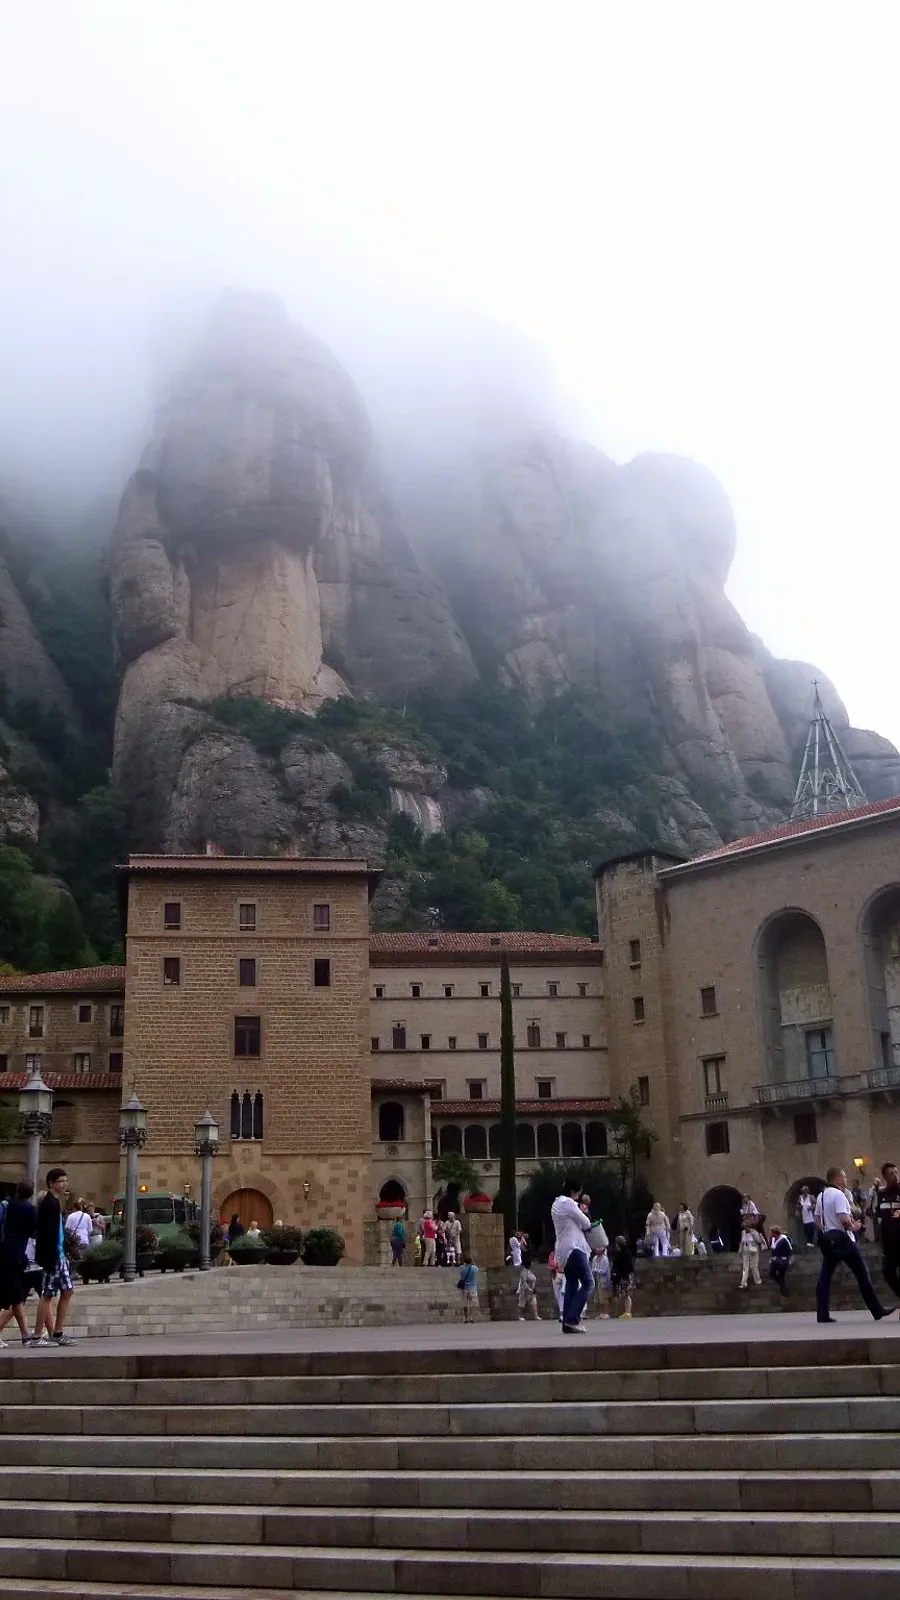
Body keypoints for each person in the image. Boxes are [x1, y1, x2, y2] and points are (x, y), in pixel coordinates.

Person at [814, 1165, 895, 1324]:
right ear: (837, 1179)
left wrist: (827, 1229)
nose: (846, 1179)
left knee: (825, 1277)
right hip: (843, 1239)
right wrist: (854, 1226)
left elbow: (817, 1220)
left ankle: (822, 1313)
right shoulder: (839, 1195)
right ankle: (877, 1310)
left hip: (828, 1240)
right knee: (862, 1272)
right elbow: (844, 1219)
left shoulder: (821, 1196)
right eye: (844, 1177)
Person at [32, 1167, 76, 1346]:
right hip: (54, 1255)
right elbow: (47, 1233)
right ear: (51, 1183)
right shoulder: (50, 1203)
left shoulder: (54, 1202)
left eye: (66, 1180)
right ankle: (39, 1336)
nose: (64, 1184)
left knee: (65, 1290)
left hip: (58, 1254)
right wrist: (52, 1256)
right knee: (49, 1294)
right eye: (61, 1181)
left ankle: (56, 1332)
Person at [550, 1176, 597, 1333]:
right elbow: (586, 1223)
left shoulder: (556, 1204)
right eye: (578, 1193)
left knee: (571, 1284)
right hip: (574, 1248)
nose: (578, 1196)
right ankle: (572, 1318)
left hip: (562, 1252)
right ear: (572, 1191)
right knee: (588, 1283)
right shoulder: (568, 1203)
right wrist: (583, 1212)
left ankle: (567, 1322)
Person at [0, 1181, 39, 1346]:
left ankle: (25, 1335)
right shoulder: (30, 1209)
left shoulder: (7, 1205)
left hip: (5, 1253)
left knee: (16, 1295)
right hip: (15, 1256)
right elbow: (36, 1231)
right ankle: (26, 1335)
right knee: (12, 1294)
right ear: (31, 1193)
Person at [874, 1160, 900, 1300]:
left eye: (896, 1172)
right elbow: (877, 1211)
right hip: (888, 1243)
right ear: (885, 1177)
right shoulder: (881, 1194)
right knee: (887, 1272)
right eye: (891, 1174)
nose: (895, 1176)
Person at [610, 1235, 634, 1318]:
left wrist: (618, 1274)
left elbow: (626, 1266)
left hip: (623, 1277)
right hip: (623, 1276)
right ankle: (626, 1312)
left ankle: (628, 1312)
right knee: (623, 1295)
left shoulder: (624, 1253)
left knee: (626, 1295)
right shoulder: (621, 1253)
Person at [739, 1219, 766, 1287]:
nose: (745, 1229)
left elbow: (759, 1241)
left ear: (749, 1226)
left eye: (746, 1227)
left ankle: (757, 1280)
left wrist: (752, 1234)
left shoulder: (754, 1232)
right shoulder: (743, 1232)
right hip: (745, 1250)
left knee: (754, 1266)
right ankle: (743, 1283)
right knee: (745, 1267)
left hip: (754, 1250)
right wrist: (740, 1250)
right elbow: (742, 1242)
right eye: (744, 1227)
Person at [769, 1227, 793, 1297]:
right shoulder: (773, 1239)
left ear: (774, 1233)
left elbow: (790, 1249)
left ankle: (784, 1291)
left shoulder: (784, 1239)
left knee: (781, 1275)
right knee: (772, 1274)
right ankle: (783, 1286)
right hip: (775, 1260)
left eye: (771, 1233)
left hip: (783, 1260)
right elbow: (773, 1250)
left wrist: (786, 1258)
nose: (770, 1234)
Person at [591, 1245, 612, 1317]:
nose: (597, 1249)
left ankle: (606, 1313)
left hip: (603, 1279)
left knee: (604, 1297)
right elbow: (592, 1268)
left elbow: (604, 1271)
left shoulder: (605, 1259)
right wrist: (594, 1271)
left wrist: (596, 1270)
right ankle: (600, 1312)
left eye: (599, 1248)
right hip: (596, 1279)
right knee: (597, 1297)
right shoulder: (594, 1258)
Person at [458, 1254, 479, 1322]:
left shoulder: (462, 1267)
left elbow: (460, 1273)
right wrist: (473, 1264)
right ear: (471, 1261)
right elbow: (477, 1270)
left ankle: (466, 1318)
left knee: (465, 1303)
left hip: (464, 1287)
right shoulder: (473, 1268)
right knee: (472, 1303)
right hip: (472, 1287)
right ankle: (471, 1317)